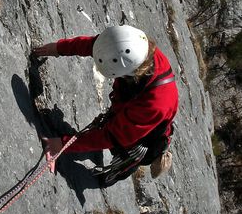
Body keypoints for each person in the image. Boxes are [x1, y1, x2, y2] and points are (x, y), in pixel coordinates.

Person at [33, 25, 178, 185]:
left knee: (125, 155)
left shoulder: (154, 104)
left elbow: (111, 136)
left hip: (147, 134)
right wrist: (59, 48)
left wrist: (61, 145)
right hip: (133, 104)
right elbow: (95, 46)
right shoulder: (131, 45)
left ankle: (119, 173)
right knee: (111, 125)